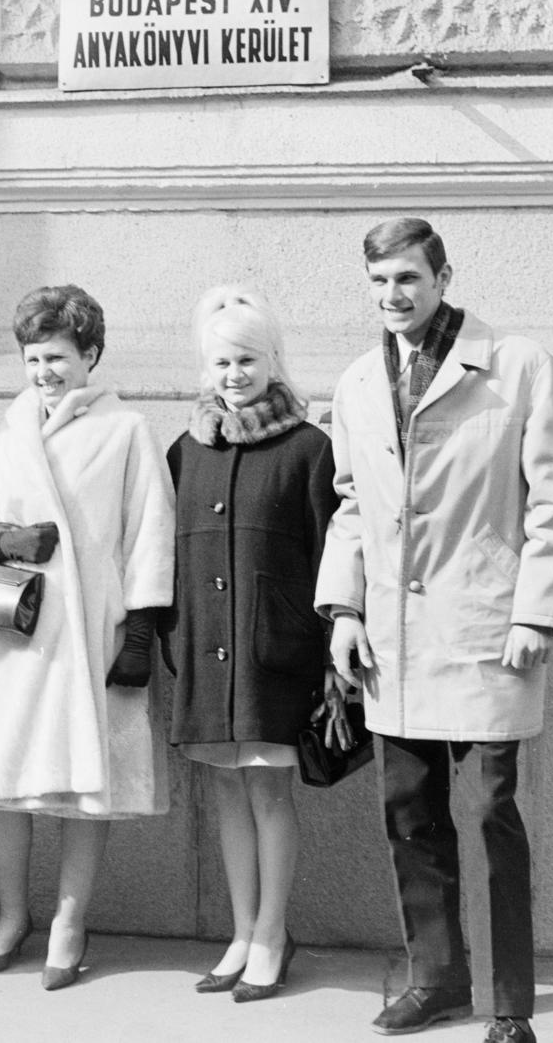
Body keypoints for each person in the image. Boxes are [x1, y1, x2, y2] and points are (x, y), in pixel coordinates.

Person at [315, 218, 553, 1043]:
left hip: (485, 628)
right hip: (390, 642)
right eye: (379, 282)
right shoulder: (360, 381)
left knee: (489, 816)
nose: (394, 296)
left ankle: (509, 1007)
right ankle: (435, 978)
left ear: (442, 276)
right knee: (410, 813)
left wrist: (540, 611)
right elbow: (354, 503)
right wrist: (346, 609)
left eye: (408, 278)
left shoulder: (519, 368)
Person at [0, 284, 174, 991]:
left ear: (91, 355)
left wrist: (139, 631)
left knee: (86, 783)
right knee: (3, 780)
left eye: (57, 356)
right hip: (16, 625)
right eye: (33, 357)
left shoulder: (126, 430)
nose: (44, 371)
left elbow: (150, 533)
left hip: (90, 630)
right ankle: (13, 915)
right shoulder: (10, 425)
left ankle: (69, 922)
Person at [163, 286, 348, 1003]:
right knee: (224, 791)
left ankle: (273, 931)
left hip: (276, 652)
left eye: (247, 359)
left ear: (273, 361)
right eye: (221, 361)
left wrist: (330, 648)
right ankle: (240, 930)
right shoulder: (185, 449)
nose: (234, 374)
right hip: (206, 652)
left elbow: (332, 551)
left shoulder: (309, 448)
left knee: (268, 788)